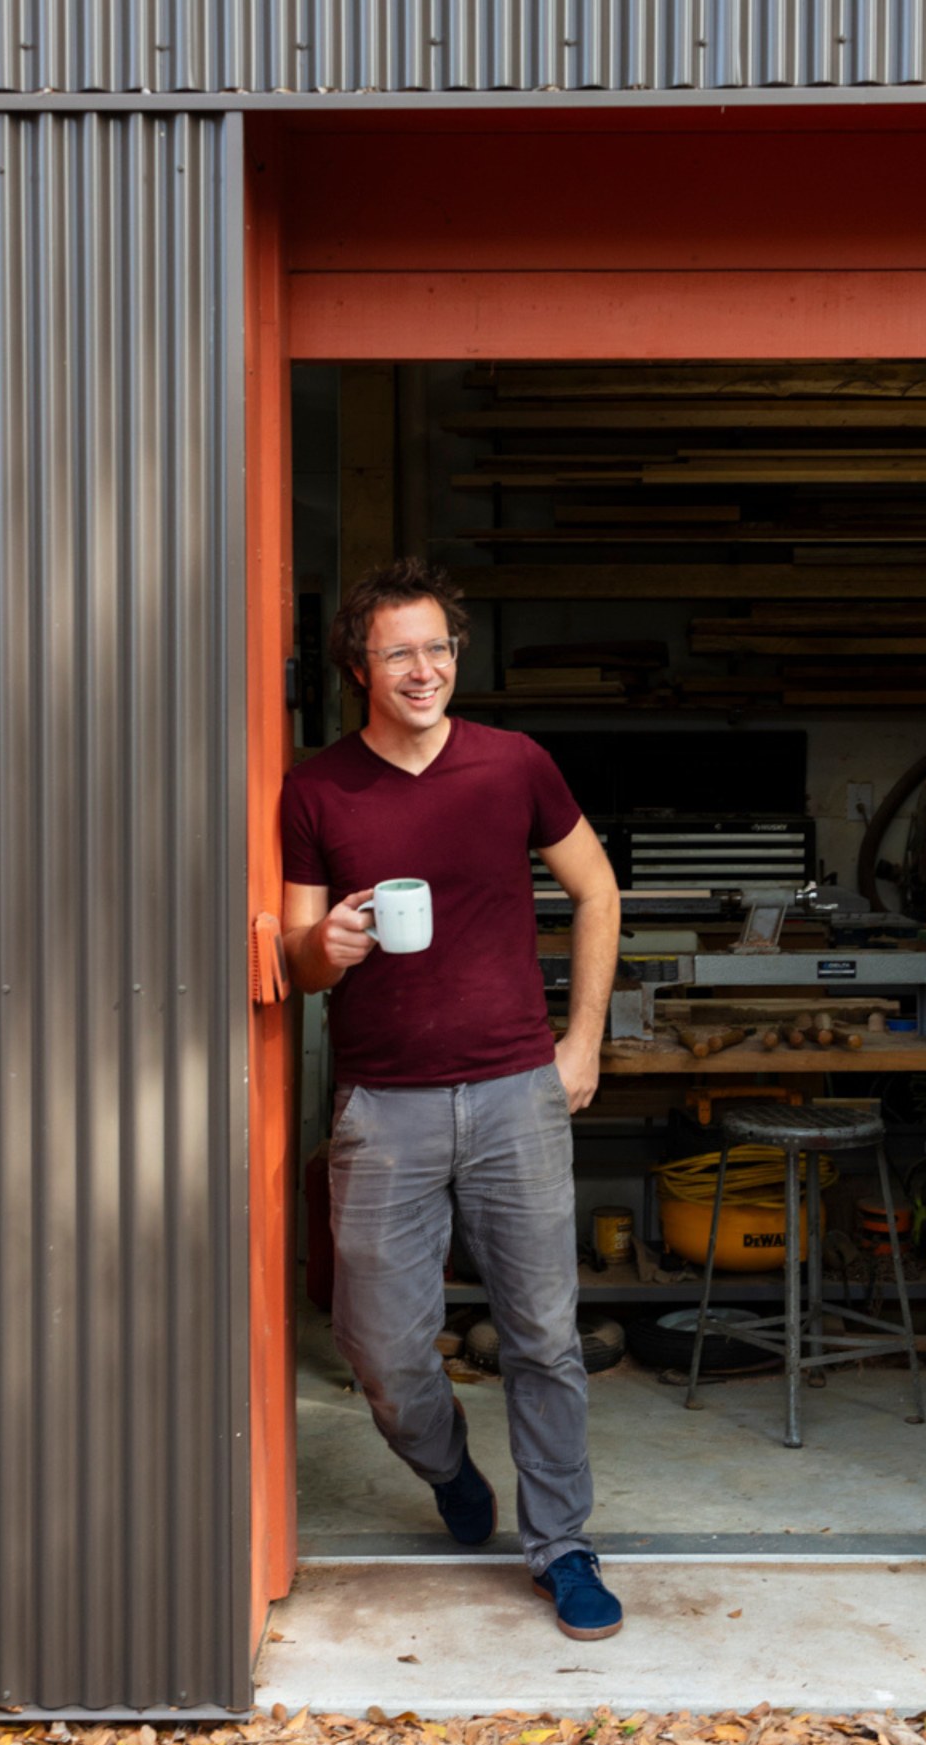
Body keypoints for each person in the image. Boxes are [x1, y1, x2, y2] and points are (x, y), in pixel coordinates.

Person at [280, 558, 626, 1641]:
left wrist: (581, 1043)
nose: (424, 669)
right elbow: (298, 957)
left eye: (438, 648)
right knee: (379, 1350)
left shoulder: (513, 765)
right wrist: (322, 946)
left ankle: (563, 1546)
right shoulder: (318, 786)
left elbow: (598, 890)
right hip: (384, 1105)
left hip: (519, 1088)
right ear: (359, 668)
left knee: (543, 1336)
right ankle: (448, 1471)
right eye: (399, 653)